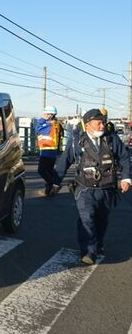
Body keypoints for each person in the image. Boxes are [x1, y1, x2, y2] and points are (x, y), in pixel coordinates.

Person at [53, 108, 131, 265]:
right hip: (85, 189)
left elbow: (124, 158)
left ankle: (98, 243)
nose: (102, 126)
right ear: (88, 124)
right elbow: (64, 161)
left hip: (107, 189)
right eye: (99, 123)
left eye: (103, 123)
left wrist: (126, 179)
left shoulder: (112, 139)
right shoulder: (76, 142)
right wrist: (55, 182)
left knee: (101, 219)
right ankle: (88, 252)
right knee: (86, 218)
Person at [35, 105, 63, 196]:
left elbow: (37, 129)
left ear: (51, 115)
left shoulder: (49, 125)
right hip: (52, 151)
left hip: (47, 151)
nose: (44, 115)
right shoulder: (56, 124)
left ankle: (52, 184)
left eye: (46, 114)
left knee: (41, 170)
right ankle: (54, 185)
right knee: (50, 170)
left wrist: (43, 121)